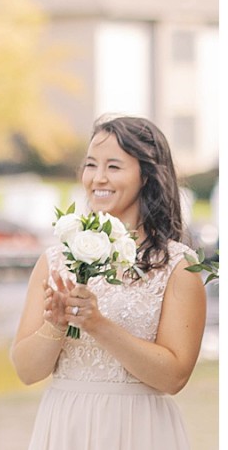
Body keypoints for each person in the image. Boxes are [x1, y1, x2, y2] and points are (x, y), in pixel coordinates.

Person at [11, 115, 205, 449]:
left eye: (114, 166)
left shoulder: (177, 266)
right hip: (66, 426)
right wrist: (56, 325)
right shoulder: (55, 260)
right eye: (91, 165)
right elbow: (27, 372)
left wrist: (97, 324)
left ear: (147, 175)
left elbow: (174, 377)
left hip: (139, 431)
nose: (98, 178)